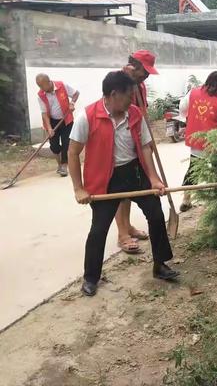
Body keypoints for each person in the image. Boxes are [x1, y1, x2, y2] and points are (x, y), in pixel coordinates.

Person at [68, 71, 179, 297]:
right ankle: (91, 277)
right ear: (113, 94)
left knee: (156, 215)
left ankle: (160, 265)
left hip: (135, 173)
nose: (132, 100)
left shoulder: (134, 113)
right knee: (99, 229)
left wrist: (155, 178)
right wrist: (79, 188)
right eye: (129, 95)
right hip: (104, 179)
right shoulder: (88, 116)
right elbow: (72, 152)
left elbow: (146, 146)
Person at [115, 51, 159, 254]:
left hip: (136, 138)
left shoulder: (139, 84)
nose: (147, 76)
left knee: (131, 187)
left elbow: (142, 110)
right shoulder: (119, 80)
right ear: (135, 65)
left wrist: (146, 139)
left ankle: (129, 227)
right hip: (120, 141)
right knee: (120, 191)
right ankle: (122, 234)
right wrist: (128, 82)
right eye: (145, 71)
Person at [179, 71, 217, 212]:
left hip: (196, 140)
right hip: (216, 144)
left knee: (193, 170)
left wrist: (190, 117)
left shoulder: (193, 93)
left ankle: (186, 199)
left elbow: (182, 108)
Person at [36, 74, 79, 177]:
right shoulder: (41, 95)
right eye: (39, 86)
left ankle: (64, 165)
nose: (41, 89)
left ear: (49, 82)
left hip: (66, 119)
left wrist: (72, 103)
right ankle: (59, 164)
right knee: (54, 146)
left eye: (42, 86)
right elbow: (44, 113)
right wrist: (49, 128)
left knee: (66, 143)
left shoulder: (61, 85)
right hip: (52, 121)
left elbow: (76, 93)